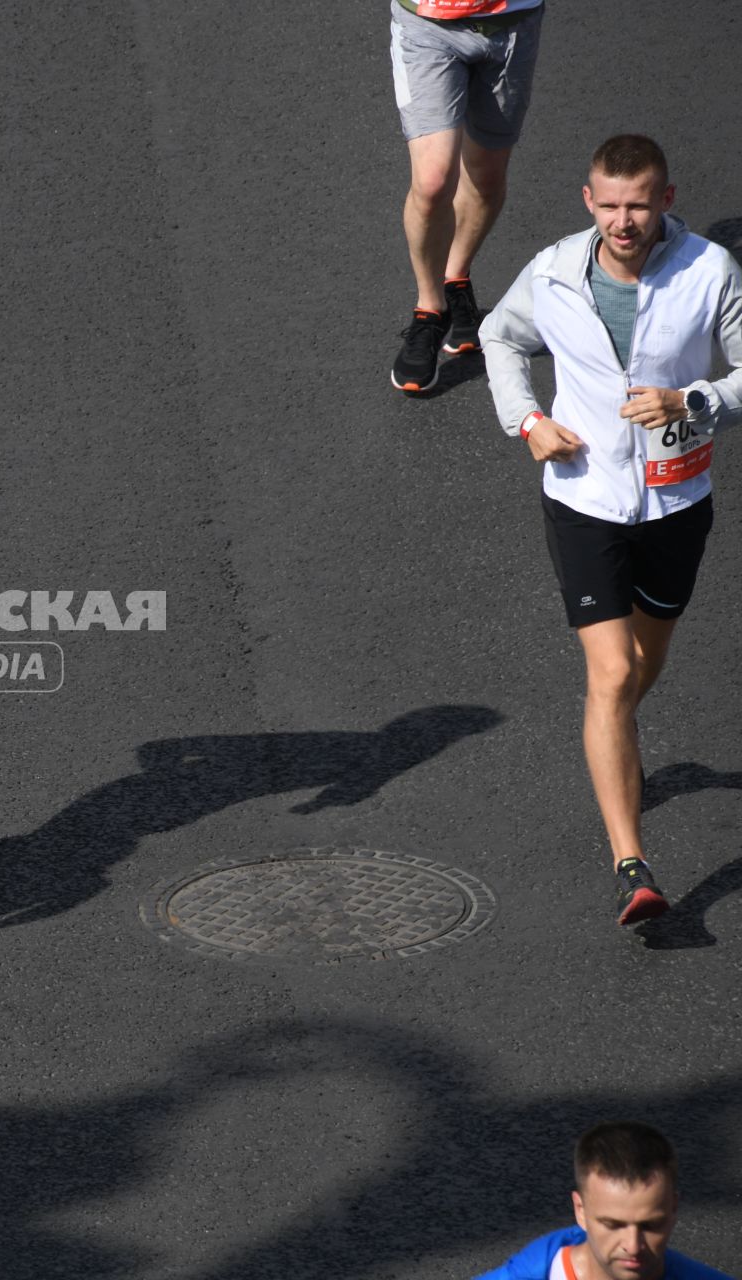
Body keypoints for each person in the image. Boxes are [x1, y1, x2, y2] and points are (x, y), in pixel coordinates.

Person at [480, 134, 742, 925]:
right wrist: (528, 421)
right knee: (611, 674)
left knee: (641, 665)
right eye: (610, 204)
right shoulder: (557, 272)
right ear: (587, 201)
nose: (624, 220)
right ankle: (634, 863)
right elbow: (499, 336)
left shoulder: (709, 271)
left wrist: (692, 402)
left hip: (676, 501)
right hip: (583, 497)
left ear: (666, 200)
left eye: (639, 203)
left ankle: (614, 750)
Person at [387, 0, 545, 393]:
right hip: (427, 24)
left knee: (486, 176)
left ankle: (455, 277)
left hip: (512, 23)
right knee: (433, 180)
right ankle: (430, 308)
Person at [474, 1122, 733, 1279]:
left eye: (650, 1225)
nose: (633, 1246)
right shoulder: (532, 1274)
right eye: (613, 1225)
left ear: (674, 1209)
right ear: (580, 1211)